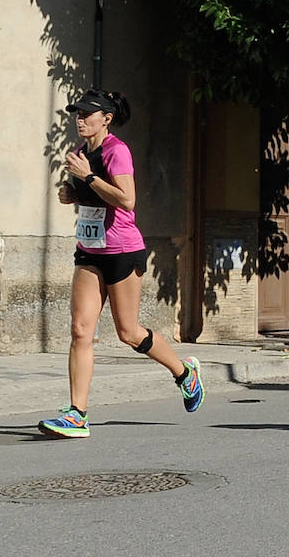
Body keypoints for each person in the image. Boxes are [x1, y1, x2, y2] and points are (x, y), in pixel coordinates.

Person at [38, 89, 204, 439]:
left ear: (106, 119)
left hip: (122, 251)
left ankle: (184, 373)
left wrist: (87, 179)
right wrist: (71, 196)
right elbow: (93, 197)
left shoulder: (117, 151)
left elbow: (127, 200)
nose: (80, 119)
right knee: (81, 330)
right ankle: (77, 414)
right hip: (90, 251)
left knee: (128, 332)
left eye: (87, 114)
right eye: (77, 114)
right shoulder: (83, 154)